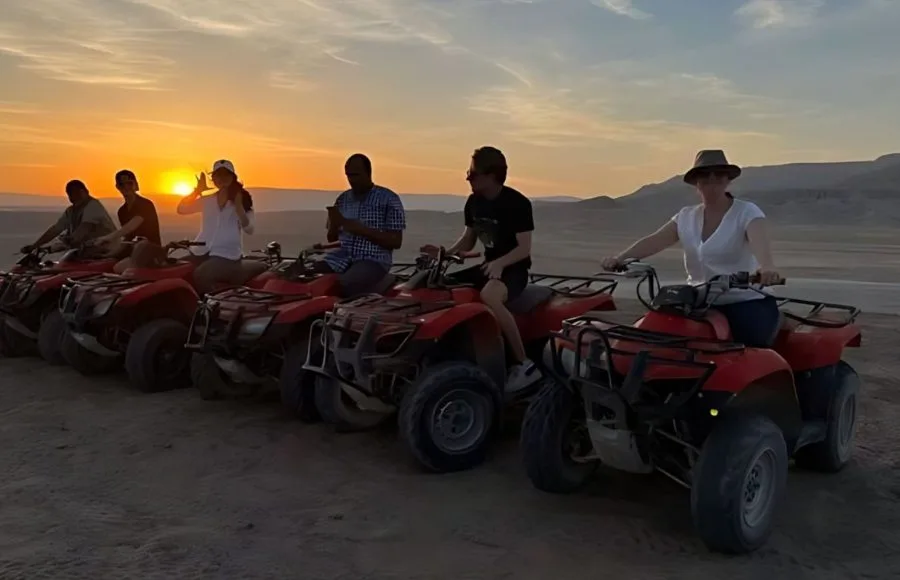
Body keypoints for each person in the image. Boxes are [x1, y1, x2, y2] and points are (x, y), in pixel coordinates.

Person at [600, 149, 783, 347]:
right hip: (697, 300)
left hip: (744, 299)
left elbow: (759, 240)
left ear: (728, 179)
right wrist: (621, 258)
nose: (712, 180)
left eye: (719, 175)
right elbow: (655, 240)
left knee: (749, 344)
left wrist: (767, 268)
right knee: (661, 333)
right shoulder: (686, 216)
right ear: (696, 181)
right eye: (705, 175)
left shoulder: (746, 212)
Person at [432, 146, 540, 393]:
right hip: (489, 266)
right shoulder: (474, 202)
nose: (468, 178)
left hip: (514, 269)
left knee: (490, 296)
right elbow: (468, 239)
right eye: (468, 173)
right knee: (442, 285)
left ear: (492, 175)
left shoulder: (518, 204)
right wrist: (443, 254)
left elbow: (524, 249)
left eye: (473, 173)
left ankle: (524, 364)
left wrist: (500, 264)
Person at [312, 153, 406, 297]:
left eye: (355, 175)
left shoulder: (388, 199)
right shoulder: (343, 200)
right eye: (348, 175)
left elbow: (396, 241)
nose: (351, 180)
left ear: (368, 173)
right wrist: (334, 225)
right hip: (341, 258)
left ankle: (344, 316)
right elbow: (332, 238)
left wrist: (361, 230)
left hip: (373, 260)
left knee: (346, 284)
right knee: (308, 275)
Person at [175, 159, 264, 294]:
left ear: (233, 177)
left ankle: (209, 308)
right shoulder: (208, 200)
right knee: (176, 269)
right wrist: (197, 191)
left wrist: (239, 208)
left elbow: (249, 229)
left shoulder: (243, 201)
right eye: (218, 175)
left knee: (202, 274)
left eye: (226, 175)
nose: (222, 179)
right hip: (201, 251)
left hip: (227, 256)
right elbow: (181, 209)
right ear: (213, 179)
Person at [21, 180, 117, 258]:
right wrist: (35, 246)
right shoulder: (71, 211)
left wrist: (68, 241)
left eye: (76, 193)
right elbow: (55, 230)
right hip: (84, 252)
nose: (72, 197)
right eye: (70, 194)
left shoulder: (93, 206)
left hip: (105, 252)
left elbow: (83, 229)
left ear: (85, 192)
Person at [93, 170, 162, 273]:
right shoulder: (122, 211)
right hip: (134, 251)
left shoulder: (145, 204)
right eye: (122, 184)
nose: (126, 187)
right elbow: (128, 238)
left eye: (129, 183)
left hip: (150, 251)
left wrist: (109, 237)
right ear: (117, 187)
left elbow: (132, 225)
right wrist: (108, 255)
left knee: (119, 268)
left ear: (136, 184)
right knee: (104, 265)